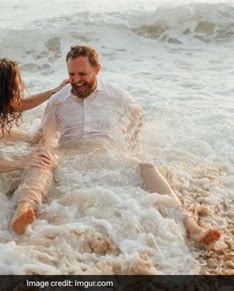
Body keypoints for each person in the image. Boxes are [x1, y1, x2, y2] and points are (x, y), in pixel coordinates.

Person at [19, 45, 221, 244]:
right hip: (69, 152)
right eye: (71, 74)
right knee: (42, 161)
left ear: (97, 69)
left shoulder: (116, 95)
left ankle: (190, 225)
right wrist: (17, 140)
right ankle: (24, 213)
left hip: (107, 151)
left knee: (147, 167)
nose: (76, 80)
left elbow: (138, 117)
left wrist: (128, 144)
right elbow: (44, 135)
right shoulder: (58, 100)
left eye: (83, 73)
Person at [0, 58, 68, 233]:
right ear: (3, 89)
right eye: (16, 82)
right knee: (34, 165)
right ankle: (19, 213)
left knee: (35, 139)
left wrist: (54, 92)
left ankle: (23, 210)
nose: (20, 85)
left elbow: (22, 105)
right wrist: (22, 162)